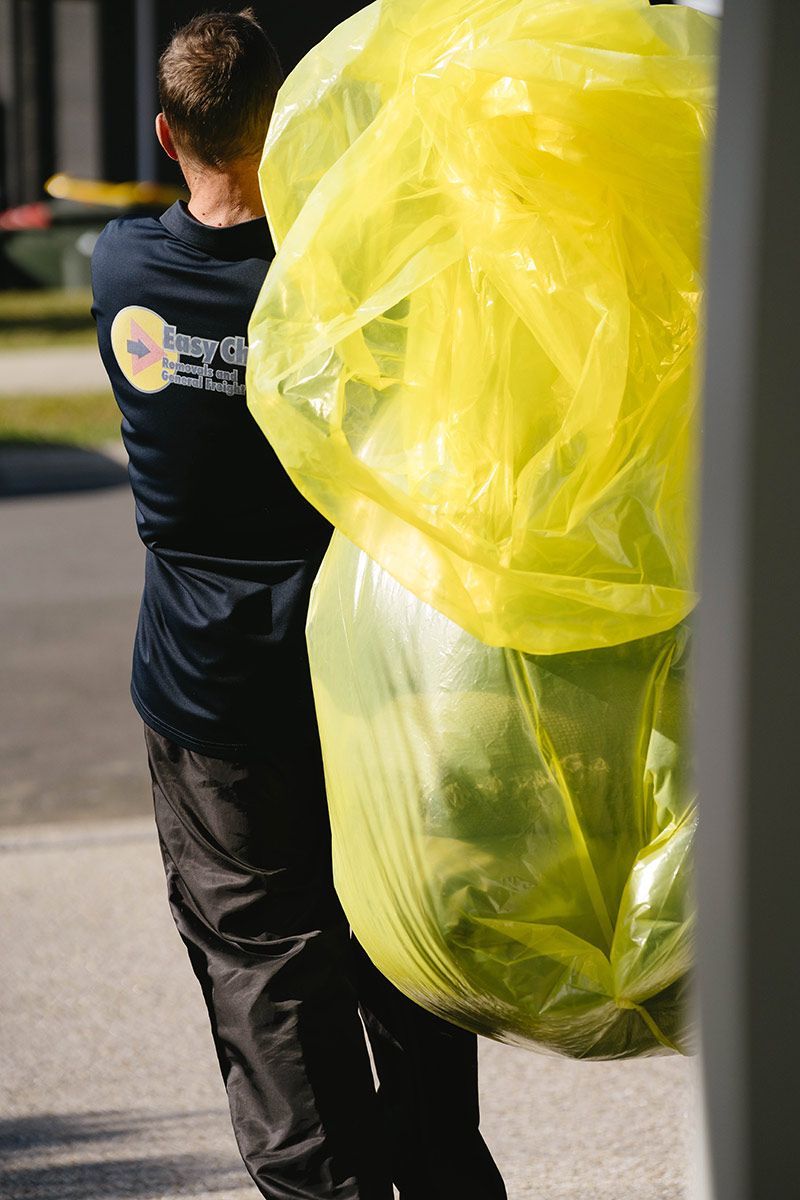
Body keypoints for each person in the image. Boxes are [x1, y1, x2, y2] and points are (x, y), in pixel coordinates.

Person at [91, 8, 507, 1200]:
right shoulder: (338, 284)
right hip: (356, 681)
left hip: (207, 693)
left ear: (167, 131)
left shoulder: (121, 270)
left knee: (261, 970)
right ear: (289, 127)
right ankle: (439, 1177)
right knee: (398, 948)